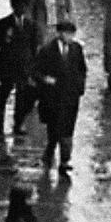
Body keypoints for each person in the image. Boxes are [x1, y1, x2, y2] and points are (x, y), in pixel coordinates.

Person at [35, 21, 88, 173]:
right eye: (67, 33)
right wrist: (46, 79)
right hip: (53, 97)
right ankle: (50, 149)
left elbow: (82, 69)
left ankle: (65, 160)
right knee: (54, 128)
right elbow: (36, 70)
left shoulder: (76, 49)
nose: (70, 37)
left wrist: (80, 87)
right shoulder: (47, 50)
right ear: (59, 34)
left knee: (68, 130)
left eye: (72, 34)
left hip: (71, 97)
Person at [0, 0, 39, 136]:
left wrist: (32, 66)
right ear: (13, 6)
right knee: (4, 94)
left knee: (22, 96)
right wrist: (5, 38)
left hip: (23, 66)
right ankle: (0, 120)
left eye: (24, 6)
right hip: (7, 65)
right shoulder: (3, 23)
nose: (21, 9)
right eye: (18, 6)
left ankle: (18, 124)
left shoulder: (31, 25)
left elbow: (33, 47)